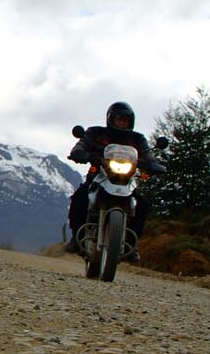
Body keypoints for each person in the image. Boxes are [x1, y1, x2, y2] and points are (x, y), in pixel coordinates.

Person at [65, 101, 164, 257]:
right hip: (98, 176)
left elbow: (147, 154)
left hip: (127, 179)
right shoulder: (95, 133)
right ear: (110, 119)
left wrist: (152, 164)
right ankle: (77, 236)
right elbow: (81, 145)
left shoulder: (137, 139)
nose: (122, 123)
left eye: (125, 120)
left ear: (131, 122)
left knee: (142, 205)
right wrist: (82, 154)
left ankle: (131, 244)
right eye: (119, 119)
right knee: (79, 197)